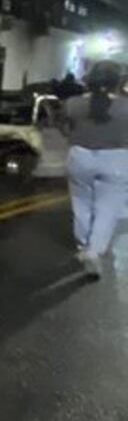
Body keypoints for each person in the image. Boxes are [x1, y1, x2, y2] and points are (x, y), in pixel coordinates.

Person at [64, 60, 128, 278]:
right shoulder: (125, 106)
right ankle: (94, 250)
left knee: (81, 204)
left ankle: (83, 247)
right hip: (116, 158)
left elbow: (66, 128)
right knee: (107, 210)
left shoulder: (73, 103)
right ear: (118, 82)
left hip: (80, 156)